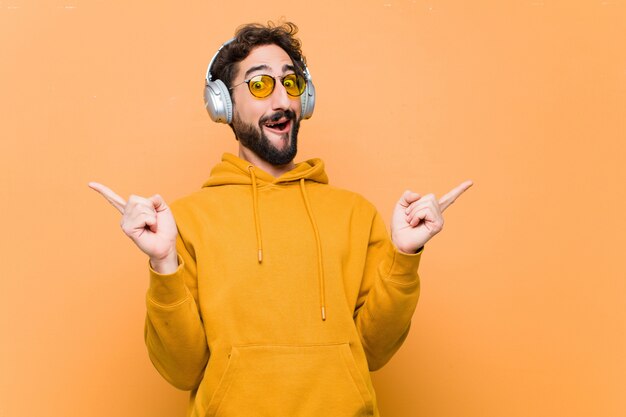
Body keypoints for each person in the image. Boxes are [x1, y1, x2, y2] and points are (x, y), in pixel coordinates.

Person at [90, 21, 471, 417]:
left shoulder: (355, 214)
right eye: (259, 85)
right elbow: (182, 370)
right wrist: (163, 262)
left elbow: (373, 351)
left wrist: (404, 259)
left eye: (291, 84)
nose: (282, 102)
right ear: (222, 104)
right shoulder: (185, 221)